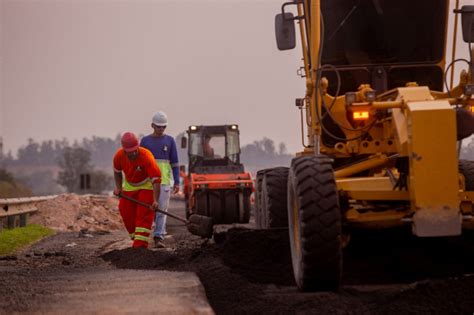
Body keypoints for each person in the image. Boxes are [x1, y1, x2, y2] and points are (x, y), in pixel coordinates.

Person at [113, 132, 161, 249]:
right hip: (130, 184)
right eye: (130, 152)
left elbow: (156, 181)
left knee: (143, 213)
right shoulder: (118, 156)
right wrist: (119, 189)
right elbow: (117, 173)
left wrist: (155, 200)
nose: (133, 153)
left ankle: (140, 245)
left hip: (146, 185)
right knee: (124, 209)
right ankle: (137, 238)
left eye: (135, 150)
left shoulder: (146, 156)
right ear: (124, 150)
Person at [140, 111, 179, 248]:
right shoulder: (145, 141)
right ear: (152, 125)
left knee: (162, 209)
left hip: (164, 182)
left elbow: (174, 163)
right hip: (148, 183)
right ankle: (143, 237)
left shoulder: (170, 141)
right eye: (158, 126)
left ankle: (158, 237)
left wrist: (177, 182)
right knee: (148, 210)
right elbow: (140, 163)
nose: (161, 129)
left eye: (163, 127)